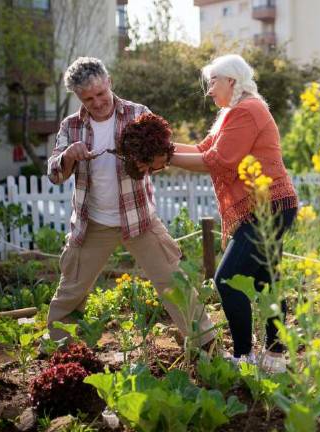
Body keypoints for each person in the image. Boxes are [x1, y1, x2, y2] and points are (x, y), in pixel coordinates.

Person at [144, 54, 298, 373]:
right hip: (269, 205)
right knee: (268, 281)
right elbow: (203, 151)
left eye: (213, 81)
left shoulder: (248, 110)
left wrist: (165, 158)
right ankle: (276, 357)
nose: (209, 89)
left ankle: (245, 356)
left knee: (226, 280)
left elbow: (219, 161)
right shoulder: (233, 112)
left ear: (231, 80)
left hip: (267, 207)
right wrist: (161, 148)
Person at [46, 56, 214, 347]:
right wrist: (67, 157)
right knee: (70, 292)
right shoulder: (70, 126)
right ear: (78, 97)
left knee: (174, 284)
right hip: (93, 223)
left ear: (109, 82)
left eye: (100, 93)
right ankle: (62, 355)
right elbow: (54, 174)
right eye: (88, 99)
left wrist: (147, 161)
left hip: (140, 219)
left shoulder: (138, 114)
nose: (97, 102)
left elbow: (162, 158)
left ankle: (206, 347)